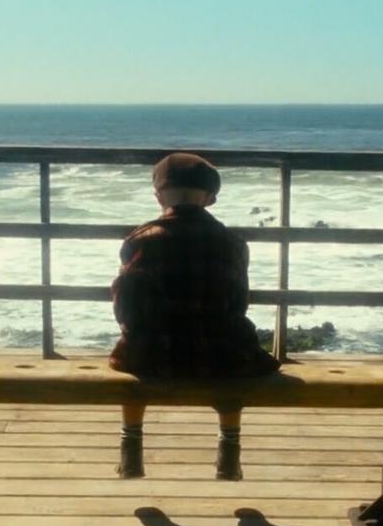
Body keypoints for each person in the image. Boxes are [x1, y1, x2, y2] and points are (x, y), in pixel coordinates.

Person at [109, 152, 281, 480]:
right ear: (211, 198)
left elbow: (126, 304)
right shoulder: (233, 243)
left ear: (158, 195)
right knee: (232, 346)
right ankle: (229, 449)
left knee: (132, 352)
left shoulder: (139, 240)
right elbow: (239, 302)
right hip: (220, 354)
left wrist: (134, 329)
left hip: (155, 354)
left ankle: (130, 447)